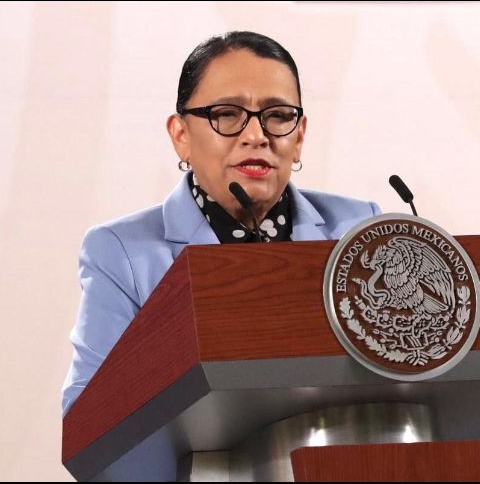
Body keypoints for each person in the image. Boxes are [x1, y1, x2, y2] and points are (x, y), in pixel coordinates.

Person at [61, 31, 381, 415]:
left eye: (277, 116)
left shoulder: (359, 229)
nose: (256, 136)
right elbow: (87, 414)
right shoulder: (123, 252)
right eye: (227, 114)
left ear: (299, 137)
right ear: (181, 135)